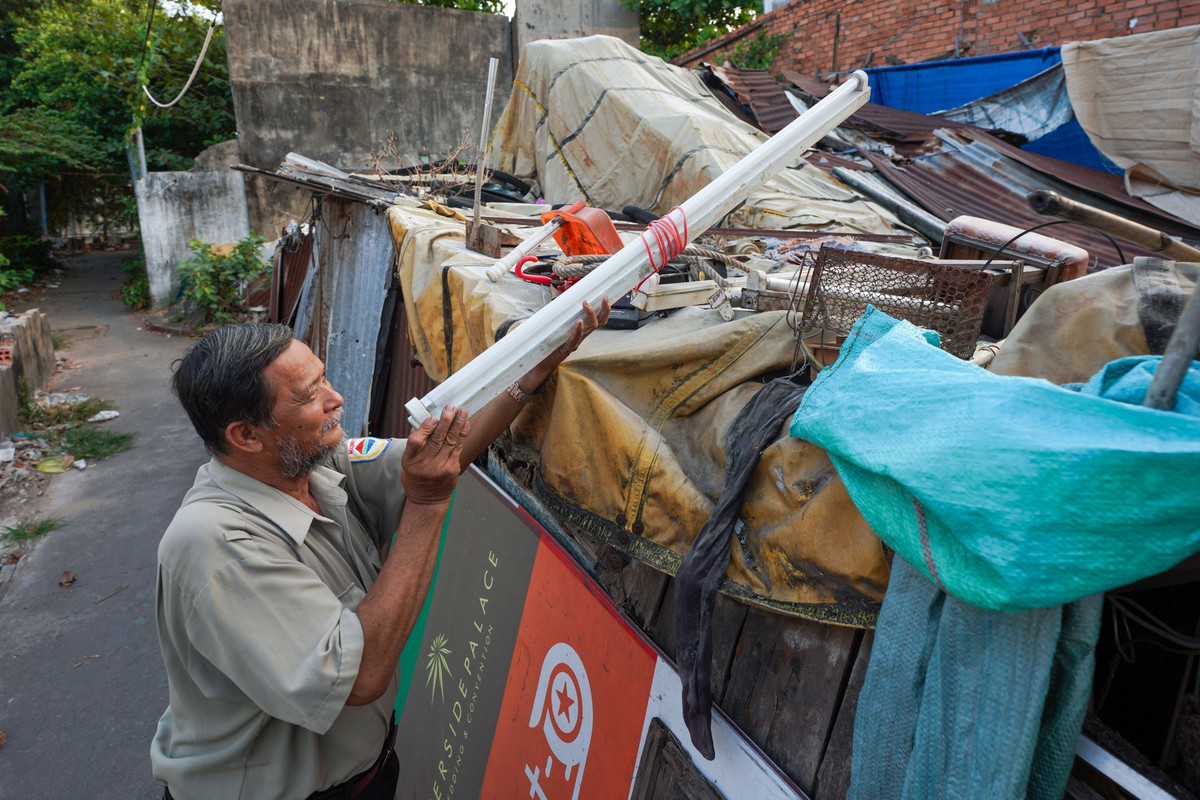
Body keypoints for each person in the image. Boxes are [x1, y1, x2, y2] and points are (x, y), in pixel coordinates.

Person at [151, 299, 610, 800]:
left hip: (365, 772)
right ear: (245, 435)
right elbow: (359, 677)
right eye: (311, 395)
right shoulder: (216, 546)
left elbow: (443, 450)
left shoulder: (315, 468)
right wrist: (428, 504)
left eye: (324, 378)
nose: (336, 398)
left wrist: (531, 373)